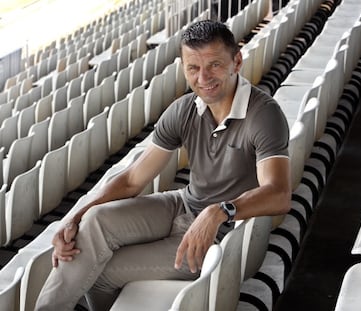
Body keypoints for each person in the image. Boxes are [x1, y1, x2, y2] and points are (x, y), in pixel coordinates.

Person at [35, 20, 291, 311]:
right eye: (193, 68)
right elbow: (132, 179)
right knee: (94, 221)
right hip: (183, 204)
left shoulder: (264, 114)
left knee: (100, 272)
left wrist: (219, 211)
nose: (203, 77)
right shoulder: (184, 109)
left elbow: (278, 194)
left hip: (219, 235)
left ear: (237, 61)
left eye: (215, 65)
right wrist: (74, 218)